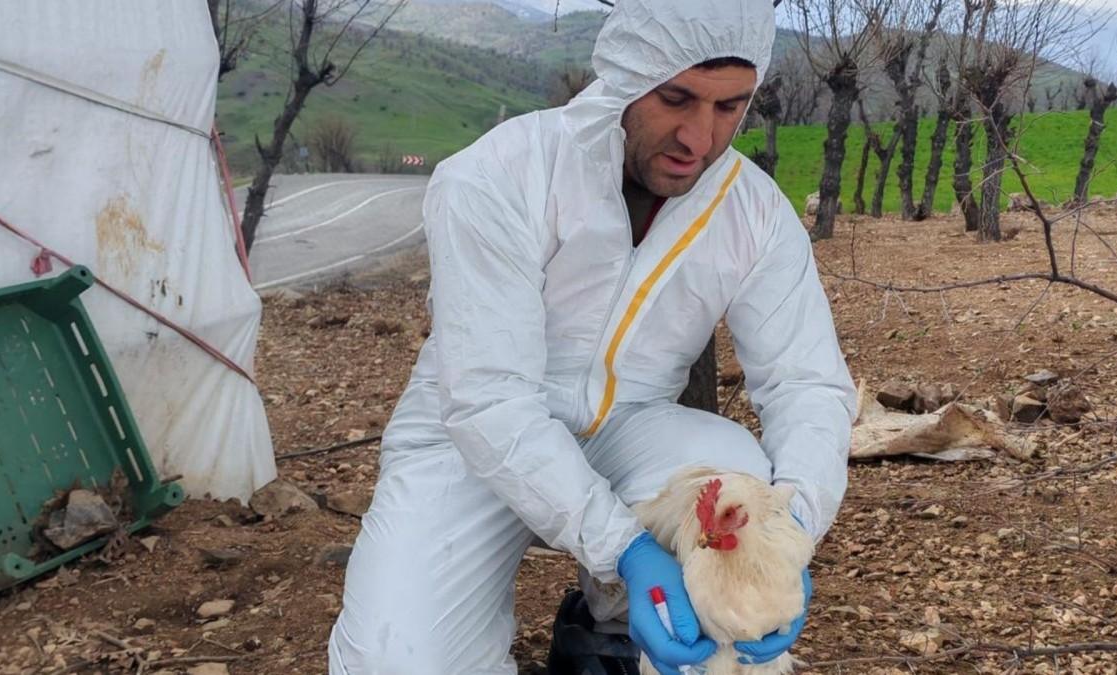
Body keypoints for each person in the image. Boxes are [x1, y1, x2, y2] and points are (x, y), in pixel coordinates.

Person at [328, 0, 856, 673]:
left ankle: (611, 628)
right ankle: (618, 586)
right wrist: (625, 549)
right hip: (472, 440)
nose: (700, 136)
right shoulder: (500, 176)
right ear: (630, 75)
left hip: (632, 430)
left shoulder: (753, 212)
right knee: (392, 660)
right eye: (677, 98)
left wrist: (791, 537)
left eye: (730, 108)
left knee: (734, 516)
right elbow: (490, 398)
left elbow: (805, 382)